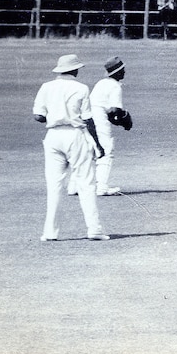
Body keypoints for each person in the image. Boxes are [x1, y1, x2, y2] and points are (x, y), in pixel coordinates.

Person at [32, 54, 109, 241]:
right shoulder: (81, 88)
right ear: (74, 70)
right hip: (75, 135)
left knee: (54, 186)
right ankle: (94, 230)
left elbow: (38, 116)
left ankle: (50, 233)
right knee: (86, 183)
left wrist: (55, 114)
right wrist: (98, 144)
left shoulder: (46, 87)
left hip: (53, 136)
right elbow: (88, 119)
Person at [88, 57, 132, 196]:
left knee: (88, 152)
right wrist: (124, 120)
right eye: (122, 69)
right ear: (117, 72)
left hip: (87, 119)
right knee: (106, 150)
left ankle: (76, 186)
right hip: (99, 120)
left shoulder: (101, 83)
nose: (124, 71)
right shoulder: (115, 86)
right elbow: (114, 110)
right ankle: (102, 187)